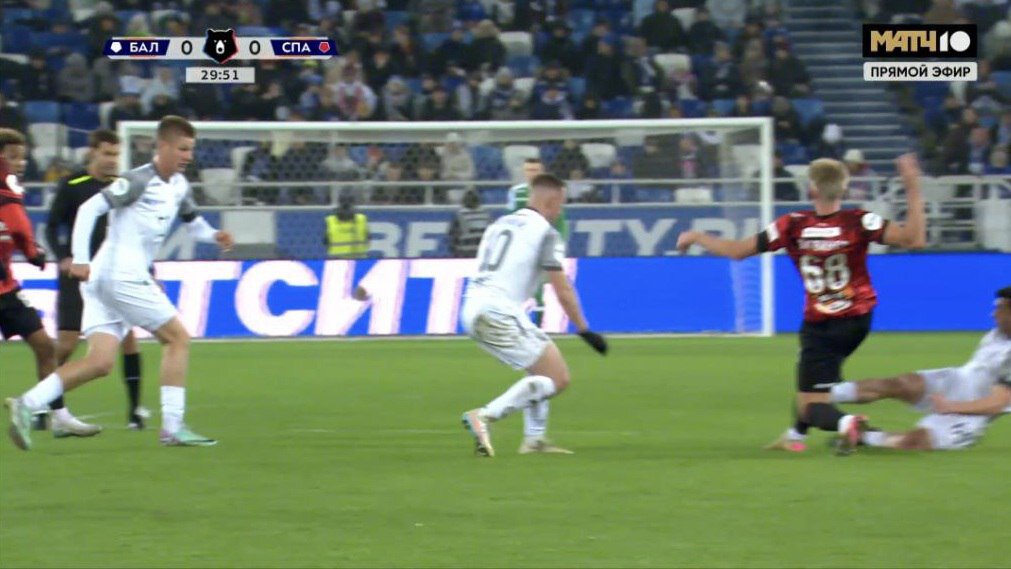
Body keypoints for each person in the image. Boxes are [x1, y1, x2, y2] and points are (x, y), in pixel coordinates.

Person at [5, 116, 235, 451]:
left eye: (191, 150)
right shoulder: (138, 180)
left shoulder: (179, 185)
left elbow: (192, 221)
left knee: (100, 363)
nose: (188, 156)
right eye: (182, 149)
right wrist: (80, 257)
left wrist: (214, 235)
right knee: (178, 339)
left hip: (107, 280)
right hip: (120, 276)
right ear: (163, 146)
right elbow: (90, 208)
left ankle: (27, 404)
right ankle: (173, 428)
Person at [676, 154, 927, 455]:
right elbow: (914, 239)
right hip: (859, 319)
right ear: (843, 189)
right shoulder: (860, 221)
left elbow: (737, 251)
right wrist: (912, 186)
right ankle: (795, 436)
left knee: (810, 406)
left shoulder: (792, 225)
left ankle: (849, 424)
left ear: (811, 190)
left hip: (822, 324)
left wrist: (697, 236)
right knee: (813, 383)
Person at [460, 173, 608, 457]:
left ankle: (534, 440)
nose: (560, 212)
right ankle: (485, 416)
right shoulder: (546, 234)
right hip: (499, 312)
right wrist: (584, 329)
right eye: (561, 204)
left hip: (473, 308)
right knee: (558, 378)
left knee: (540, 371)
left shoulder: (498, 225)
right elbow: (562, 288)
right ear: (552, 201)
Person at [45, 129, 148, 430]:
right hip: (77, 273)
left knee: (129, 339)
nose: (112, 160)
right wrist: (63, 256)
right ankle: (46, 404)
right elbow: (51, 226)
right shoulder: (73, 185)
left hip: (113, 275)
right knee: (66, 344)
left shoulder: (123, 186)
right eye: (106, 153)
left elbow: (135, 234)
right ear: (92, 152)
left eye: (116, 154)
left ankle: (134, 412)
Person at [1, 129, 100, 440]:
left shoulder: (10, 190)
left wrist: (30, 250)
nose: (21, 163)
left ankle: (58, 416)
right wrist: (32, 251)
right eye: (13, 157)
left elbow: (14, 228)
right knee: (47, 347)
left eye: (23, 157)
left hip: (6, 289)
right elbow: (17, 225)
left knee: (45, 348)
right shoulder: (7, 192)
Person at [826, 287, 1010, 451]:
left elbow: (998, 403)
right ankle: (823, 394)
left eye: (1000, 308)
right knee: (899, 384)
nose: (993, 314)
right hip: (955, 382)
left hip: (973, 413)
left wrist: (951, 406)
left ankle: (864, 437)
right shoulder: (997, 335)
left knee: (915, 442)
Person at [506, 158, 568, 326]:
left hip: (543, 243)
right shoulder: (516, 192)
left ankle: (538, 322)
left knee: (538, 284)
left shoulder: (552, 193)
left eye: (535, 170)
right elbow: (510, 219)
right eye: (528, 170)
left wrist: (559, 242)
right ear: (524, 172)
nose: (531, 174)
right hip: (522, 243)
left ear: (542, 171)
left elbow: (560, 220)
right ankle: (518, 320)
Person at [324, 194, 370, 258]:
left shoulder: (330, 220)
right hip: (358, 257)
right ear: (353, 203)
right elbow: (368, 238)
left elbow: (326, 241)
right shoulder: (362, 219)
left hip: (337, 257)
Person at [448, 189, 490, 258]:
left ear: (463, 201)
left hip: (465, 253)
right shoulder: (486, 215)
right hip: (482, 252)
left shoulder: (459, 215)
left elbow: (452, 237)